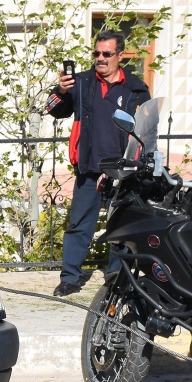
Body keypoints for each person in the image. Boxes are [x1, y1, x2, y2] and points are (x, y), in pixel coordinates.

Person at [46, 29, 151, 298]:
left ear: (119, 55)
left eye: (106, 54)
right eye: (96, 53)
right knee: (79, 225)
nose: (100, 59)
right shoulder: (80, 83)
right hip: (90, 167)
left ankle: (116, 276)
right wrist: (60, 90)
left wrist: (142, 159)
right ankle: (70, 278)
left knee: (120, 226)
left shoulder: (136, 87)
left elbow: (148, 126)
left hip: (123, 169)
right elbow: (53, 108)